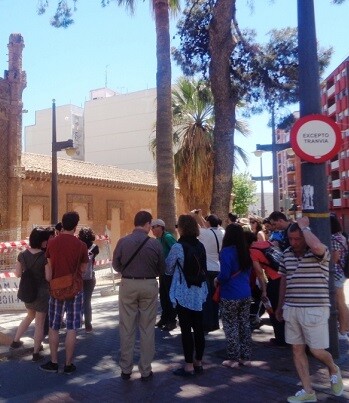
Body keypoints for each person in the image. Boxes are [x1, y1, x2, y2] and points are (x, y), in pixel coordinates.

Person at [275, 217, 344, 402]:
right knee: (297, 349)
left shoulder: (320, 252)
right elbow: (284, 280)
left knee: (316, 350)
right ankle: (308, 391)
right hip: (292, 308)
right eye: (291, 239)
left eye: (298, 238)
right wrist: (280, 306)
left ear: (306, 236)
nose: (294, 242)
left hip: (315, 307)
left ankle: (333, 368)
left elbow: (316, 247)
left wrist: (304, 227)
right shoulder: (287, 254)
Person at [112, 211, 165, 381]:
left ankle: (126, 368)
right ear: (148, 224)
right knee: (147, 328)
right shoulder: (155, 244)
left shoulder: (123, 241)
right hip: (149, 284)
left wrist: (127, 271)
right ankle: (145, 369)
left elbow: (116, 265)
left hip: (128, 283)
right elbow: (162, 268)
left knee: (127, 327)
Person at [40, 211, 89, 374]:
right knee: (72, 327)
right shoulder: (81, 245)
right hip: (75, 289)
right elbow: (83, 268)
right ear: (75, 227)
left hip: (55, 289)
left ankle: (54, 362)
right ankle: (68, 364)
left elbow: (49, 267)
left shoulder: (52, 243)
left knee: (53, 326)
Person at [166, 214, 208, 376]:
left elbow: (168, 268)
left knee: (185, 330)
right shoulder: (200, 246)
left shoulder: (178, 247)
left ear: (182, 228)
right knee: (198, 328)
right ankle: (199, 362)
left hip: (183, 291)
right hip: (199, 291)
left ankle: (188, 365)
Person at [214, 224, 252, 368]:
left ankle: (233, 358)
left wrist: (217, 280)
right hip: (245, 292)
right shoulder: (245, 251)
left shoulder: (226, 252)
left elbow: (224, 275)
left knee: (231, 326)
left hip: (230, 293)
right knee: (244, 324)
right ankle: (245, 356)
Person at [10, 227, 50, 362]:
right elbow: (48, 277)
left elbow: (17, 274)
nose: (47, 242)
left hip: (28, 292)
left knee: (29, 315)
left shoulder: (22, 254)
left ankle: (15, 341)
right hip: (42, 293)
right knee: (39, 323)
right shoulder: (45, 256)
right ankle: (36, 353)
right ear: (42, 241)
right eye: (46, 240)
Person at [247, 233, 286, 346]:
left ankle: (280, 338)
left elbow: (260, 273)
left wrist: (264, 290)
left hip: (274, 280)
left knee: (273, 309)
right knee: (284, 307)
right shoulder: (268, 243)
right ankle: (287, 337)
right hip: (285, 276)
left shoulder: (252, 251)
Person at [192, 211, 224, 332]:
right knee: (215, 298)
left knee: (206, 297)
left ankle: (207, 323)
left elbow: (199, 226)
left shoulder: (205, 233)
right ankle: (215, 323)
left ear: (209, 222)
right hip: (218, 267)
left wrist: (196, 215)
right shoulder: (222, 232)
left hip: (207, 268)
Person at [150, 218, 177, 331]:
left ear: (160, 227)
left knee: (169, 296)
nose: (152, 230)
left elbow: (176, 250)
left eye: (153, 227)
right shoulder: (159, 239)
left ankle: (172, 320)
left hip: (169, 272)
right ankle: (165, 318)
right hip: (163, 272)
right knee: (164, 296)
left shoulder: (167, 237)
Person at [330, 213, 349, 340]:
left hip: (336, 273)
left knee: (339, 302)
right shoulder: (341, 237)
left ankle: (343, 331)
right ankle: (344, 329)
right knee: (341, 302)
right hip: (341, 272)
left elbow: (334, 259)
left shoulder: (333, 239)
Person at [78, 227, 100, 333]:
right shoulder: (95, 248)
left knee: (78, 300)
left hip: (78, 277)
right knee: (87, 301)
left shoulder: (77, 246)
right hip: (90, 278)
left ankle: (77, 321)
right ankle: (88, 325)